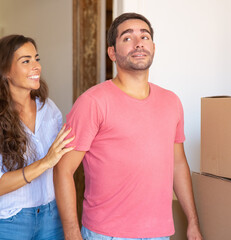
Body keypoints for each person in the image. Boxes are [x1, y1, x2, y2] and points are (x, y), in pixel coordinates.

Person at [54, 13, 203, 240]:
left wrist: (193, 222)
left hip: (160, 234)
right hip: (106, 234)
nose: (138, 43)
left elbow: (178, 165)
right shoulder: (92, 102)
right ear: (112, 52)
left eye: (145, 36)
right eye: (127, 38)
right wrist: (72, 233)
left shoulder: (171, 101)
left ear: (153, 46)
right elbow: (63, 170)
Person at [0, 34, 74, 240]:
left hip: (52, 218)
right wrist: (45, 163)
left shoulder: (48, 108)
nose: (36, 66)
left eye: (36, 59)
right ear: (5, 71)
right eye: (26, 61)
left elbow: (65, 159)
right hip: (8, 223)